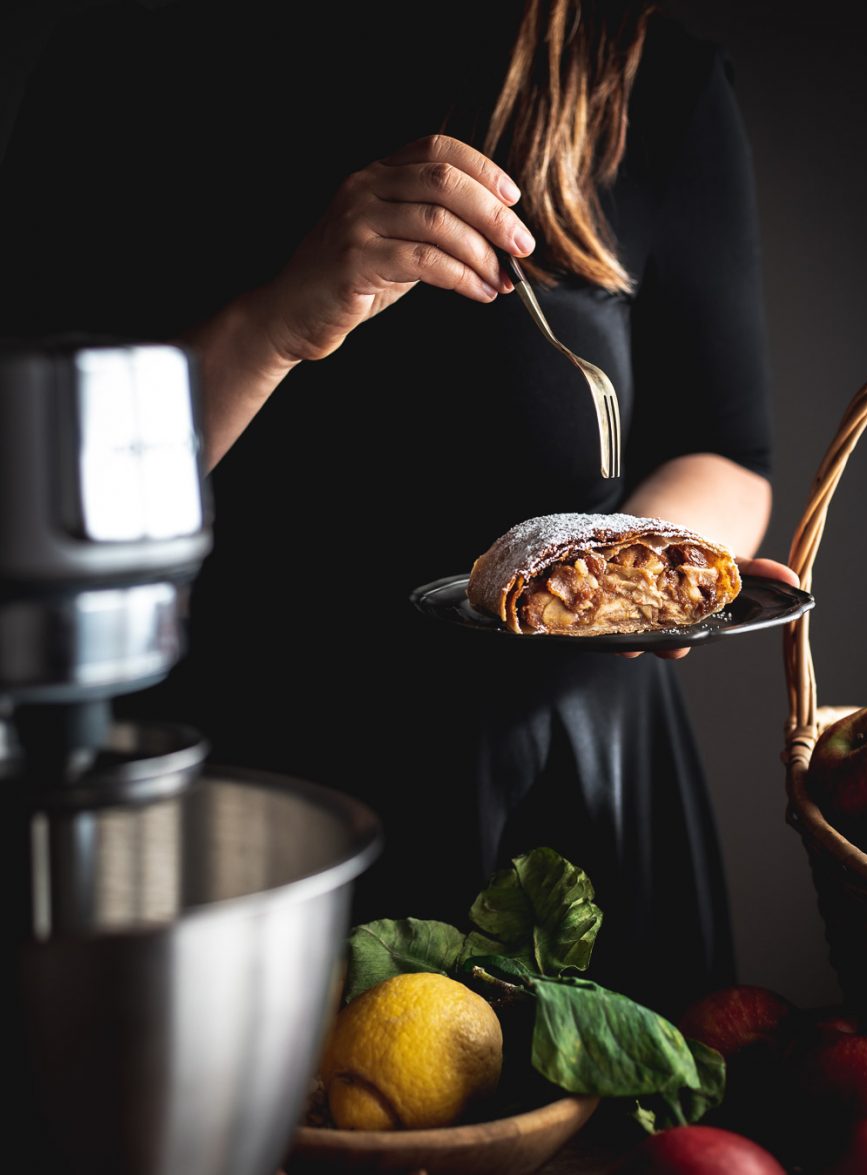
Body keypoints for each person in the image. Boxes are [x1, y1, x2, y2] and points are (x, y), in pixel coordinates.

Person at [0, 0, 796, 1017]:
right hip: (242, 796)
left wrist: (647, 572)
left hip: (569, 799)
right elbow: (36, 488)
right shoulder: (131, 51)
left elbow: (725, 450)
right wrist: (276, 322)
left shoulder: (641, 72)